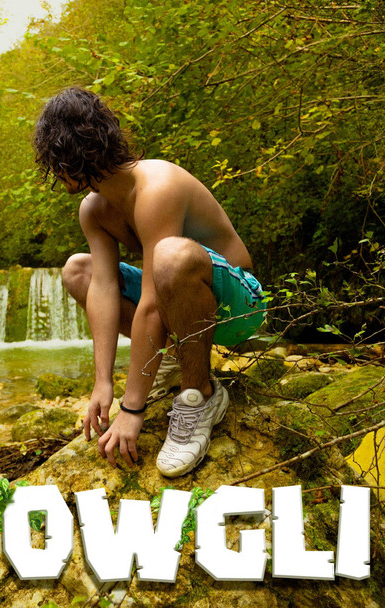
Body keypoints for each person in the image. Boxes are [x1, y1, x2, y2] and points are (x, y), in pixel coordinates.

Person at [33, 86, 265, 477]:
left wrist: (132, 408)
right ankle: (178, 361)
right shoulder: (93, 210)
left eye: (53, 160)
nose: (54, 173)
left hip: (238, 309)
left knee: (170, 256)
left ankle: (200, 395)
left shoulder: (157, 186)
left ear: (67, 155)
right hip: (178, 303)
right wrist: (103, 383)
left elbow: (153, 302)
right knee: (78, 271)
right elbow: (104, 288)